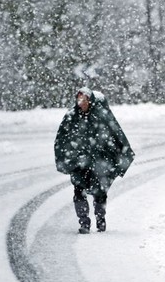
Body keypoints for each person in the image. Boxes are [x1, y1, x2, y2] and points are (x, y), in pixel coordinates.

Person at [54, 87, 135, 234]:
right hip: (79, 162)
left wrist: (118, 154)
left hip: (99, 162)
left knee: (99, 193)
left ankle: (100, 220)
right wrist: (65, 157)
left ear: (90, 100)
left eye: (84, 99)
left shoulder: (101, 116)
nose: (82, 103)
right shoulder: (71, 116)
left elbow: (116, 135)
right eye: (79, 99)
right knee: (79, 190)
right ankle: (84, 222)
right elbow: (62, 139)